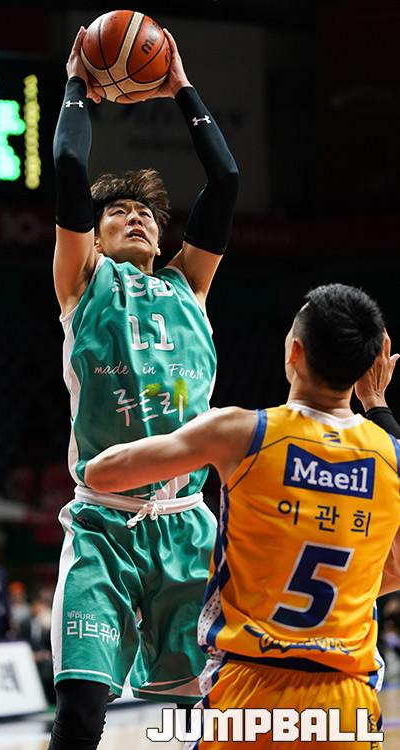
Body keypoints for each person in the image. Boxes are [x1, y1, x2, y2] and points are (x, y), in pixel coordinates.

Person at [86, 284, 400, 748]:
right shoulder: (391, 458)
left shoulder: (242, 432)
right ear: (368, 367)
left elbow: (101, 474)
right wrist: (376, 405)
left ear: (294, 352)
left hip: (251, 691)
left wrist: (189, 424)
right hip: (345, 703)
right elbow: (394, 570)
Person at [50, 22, 238, 750]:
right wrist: (77, 81)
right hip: (103, 525)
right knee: (79, 713)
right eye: (116, 213)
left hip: (187, 527)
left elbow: (225, 182)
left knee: (200, 717)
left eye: (145, 215)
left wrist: (182, 87)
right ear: (93, 236)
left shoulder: (192, 286)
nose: (134, 217)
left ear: (163, 238)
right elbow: (70, 165)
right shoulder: (83, 282)